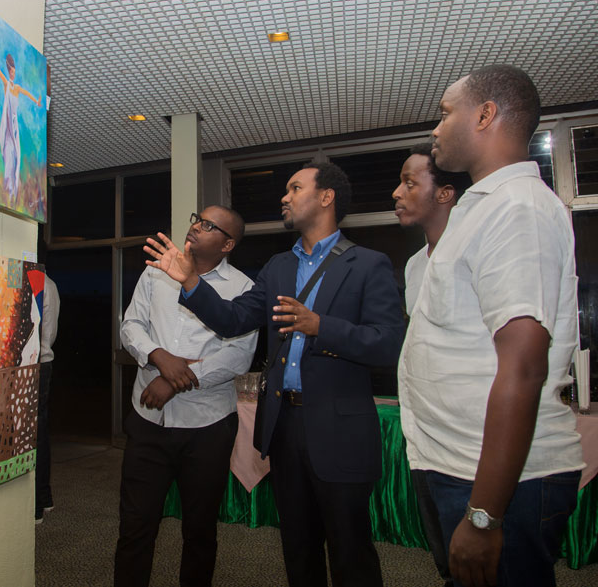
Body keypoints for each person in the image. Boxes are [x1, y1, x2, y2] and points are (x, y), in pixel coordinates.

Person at [144, 163, 405, 587]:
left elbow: (388, 343)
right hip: (285, 429)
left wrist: (321, 327)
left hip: (339, 431)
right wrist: (191, 282)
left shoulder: (367, 264)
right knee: (298, 552)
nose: (285, 197)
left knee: (350, 554)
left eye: (295, 188)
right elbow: (232, 319)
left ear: (326, 197)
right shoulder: (278, 267)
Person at [398, 64, 584, 587]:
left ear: (484, 115)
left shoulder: (517, 207)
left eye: (445, 113)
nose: (436, 128)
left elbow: (523, 368)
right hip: (458, 462)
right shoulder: (479, 209)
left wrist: (484, 515)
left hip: (499, 482)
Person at [114, 206, 257, 587]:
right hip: (148, 422)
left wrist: (176, 379)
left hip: (208, 427)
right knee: (135, 525)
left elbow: (237, 356)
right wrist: (159, 356)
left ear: (227, 244)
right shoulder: (156, 271)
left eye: (209, 226)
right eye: (197, 219)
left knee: (200, 530)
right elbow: (131, 325)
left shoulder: (242, 289)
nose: (196, 227)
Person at [392, 142, 471, 587]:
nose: (396, 193)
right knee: (449, 563)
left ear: (444, 193)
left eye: (409, 182)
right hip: (426, 440)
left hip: (471, 447)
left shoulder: (474, 252)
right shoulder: (413, 266)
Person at [0, 23, 42, 204]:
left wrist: (37, 102)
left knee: (16, 161)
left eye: (14, 71)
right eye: (11, 71)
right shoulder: (7, 84)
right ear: (9, 70)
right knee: (8, 159)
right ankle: (8, 193)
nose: (13, 74)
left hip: (14, 129)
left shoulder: (17, 88)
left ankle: (14, 194)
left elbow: (29, 95)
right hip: (7, 128)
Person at [35, 272, 60, 524]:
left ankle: (36, 504)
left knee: (34, 433)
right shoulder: (49, 284)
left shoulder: (41, 284)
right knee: (39, 430)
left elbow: (46, 335)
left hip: (37, 364)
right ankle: (44, 497)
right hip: (43, 362)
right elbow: (51, 334)